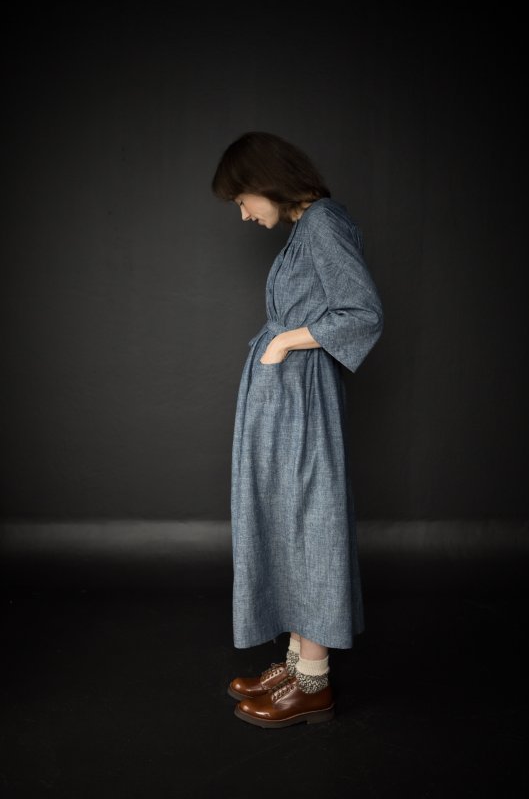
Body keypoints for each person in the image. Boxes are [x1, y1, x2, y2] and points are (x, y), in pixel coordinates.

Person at [211, 131, 384, 728]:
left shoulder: (323, 225)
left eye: (242, 200)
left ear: (266, 183)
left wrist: (285, 340)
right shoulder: (307, 228)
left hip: (302, 396)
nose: (242, 213)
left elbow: (361, 313)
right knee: (286, 516)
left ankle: (313, 681)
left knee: (308, 518)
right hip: (287, 397)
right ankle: (295, 662)